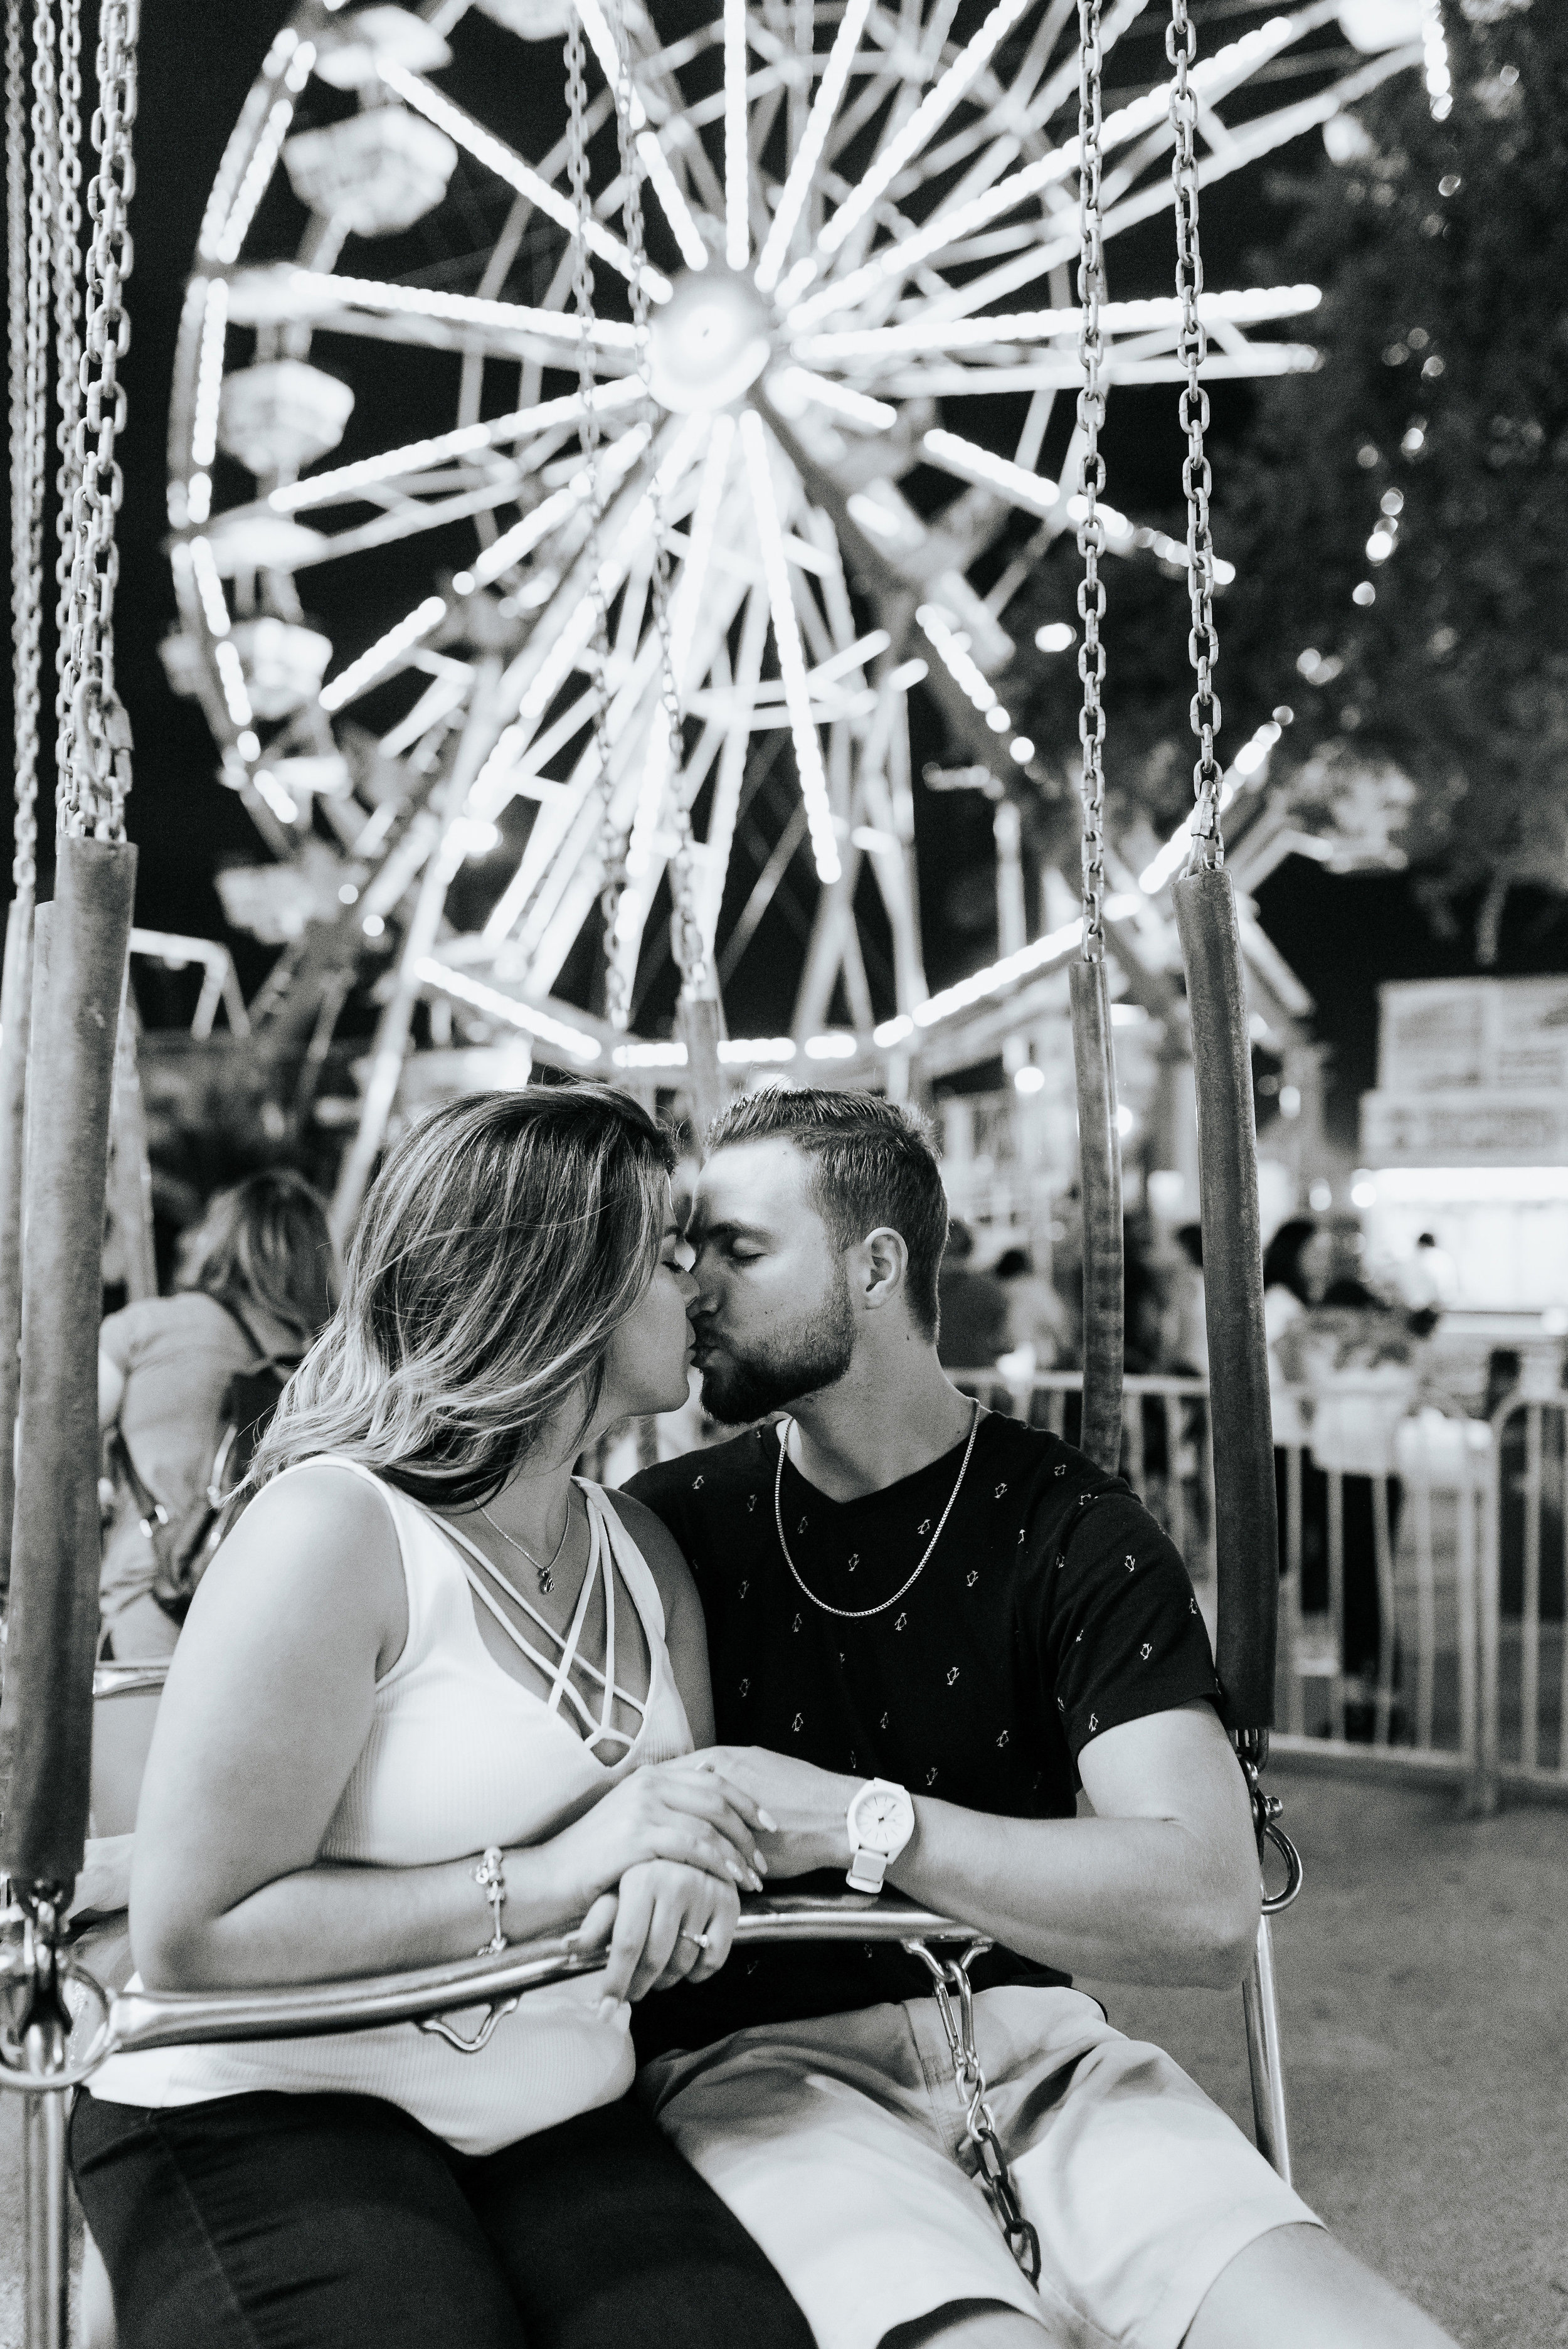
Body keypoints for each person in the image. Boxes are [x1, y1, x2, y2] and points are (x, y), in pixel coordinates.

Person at [627, 1088, 1457, 2349]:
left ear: (874, 1265)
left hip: (1038, 2050)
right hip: (765, 2074)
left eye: (739, 1253)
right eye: (691, 1258)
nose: (697, 1292)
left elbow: (1201, 1900)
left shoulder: (1067, 1526)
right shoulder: (670, 1524)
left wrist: (864, 1823)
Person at [72, 1086, 813, 2349]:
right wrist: (557, 1872)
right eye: (662, 1252)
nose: (695, 1288)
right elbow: (196, 1931)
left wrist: (681, 1881)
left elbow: (667, 1827)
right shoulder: (337, 1531)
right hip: (272, 2094)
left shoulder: (642, 1552)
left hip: (557, 2106)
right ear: (558, 1280)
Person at [97, 1169, 339, 1660]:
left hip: (152, 1598)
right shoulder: (330, 1368)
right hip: (275, 1610)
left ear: (219, 1241)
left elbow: (48, 1450)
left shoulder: (143, 1329)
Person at [934, 1218, 1009, 1371]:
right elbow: (1001, 1337)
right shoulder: (986, 1288)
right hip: (977, 1373)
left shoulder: (915, 1287)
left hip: (930, 1376)